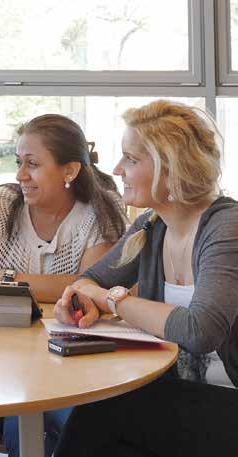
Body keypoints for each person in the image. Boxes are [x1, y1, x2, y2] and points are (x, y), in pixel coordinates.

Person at [0, 114, 127, 457]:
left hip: (64, 366)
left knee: (28, 419)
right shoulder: (3, 204)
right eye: (18, 162)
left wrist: (4, 280)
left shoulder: (99, 211)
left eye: (32, 164)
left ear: (69, 171)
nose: (20, 175)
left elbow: (86, 288)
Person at [53, 100, 238, 457]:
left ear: (173, 169)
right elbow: (87, 281)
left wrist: (112, 300)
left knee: (106, 409)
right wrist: (80, 301)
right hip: (185, 401)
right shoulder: (150, 227)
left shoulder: (226, 227)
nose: (117, 169)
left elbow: (201, 330)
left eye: (132, 159)